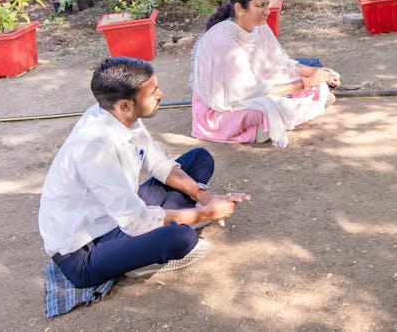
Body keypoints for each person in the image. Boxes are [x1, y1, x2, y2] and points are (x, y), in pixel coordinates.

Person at [39, 57, 250, 288]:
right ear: (125, 104)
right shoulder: (95, 147)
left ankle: (171, 226)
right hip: (84, 253)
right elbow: (135, 221)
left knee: (199, 160)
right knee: (182, 238)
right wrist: (206, 214)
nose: (160, 94)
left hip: (116, 218)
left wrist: (204, 197)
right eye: (153, 92)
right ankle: (145, 255)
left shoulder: (120, 115)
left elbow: (158, 162)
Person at [191, 0, 340, 147]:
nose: (267, 11)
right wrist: (306, 82)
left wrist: (319, 72)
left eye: (267, 5)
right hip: (225, 108)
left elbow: (283, 64)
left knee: (316, 86)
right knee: (267, 108)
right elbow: (249, 92)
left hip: (259, 86)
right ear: (240, 9)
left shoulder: (259, 28)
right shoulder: (222, 41)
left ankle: (284, 117)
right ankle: (268, 124)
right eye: (261, 6)